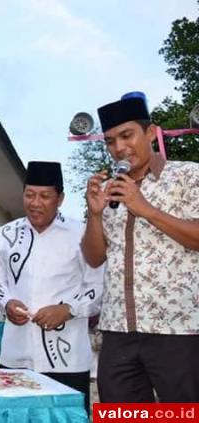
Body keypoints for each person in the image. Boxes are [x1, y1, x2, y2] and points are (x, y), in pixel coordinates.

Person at [82, 96, 199, 402]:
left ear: (150, 133)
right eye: (110, 141)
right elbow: (93, 258)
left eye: (127, 135)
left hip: (178, 329)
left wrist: (145, 208)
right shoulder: (111, 191)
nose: (119, 148)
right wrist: (95, 214)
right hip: (118, 329)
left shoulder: (187, 175)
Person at [0, 161, 104, 413]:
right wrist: (7, 302)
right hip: (16, 355)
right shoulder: (6, 234)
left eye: (44, 196)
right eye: (29, 194)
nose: (35, 202)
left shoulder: (81, 233)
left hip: (67, 359)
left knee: (66, 418)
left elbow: (99, 286)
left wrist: (68, 309)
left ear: (59, 198)